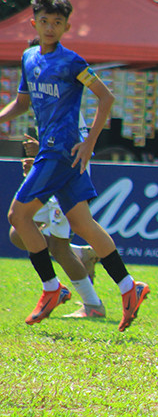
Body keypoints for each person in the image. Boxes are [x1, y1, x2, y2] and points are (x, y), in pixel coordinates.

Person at [1, 0, 148, 330]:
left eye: (57, 23)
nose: (50, 28)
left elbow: (106, 98)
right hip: (57, 150)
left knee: (17, 217)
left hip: (60, 149)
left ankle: (52, 289)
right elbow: (23, 103)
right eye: (44, 22)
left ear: (67, 26)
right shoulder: (29, 58)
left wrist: (89, 142)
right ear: (33, 23)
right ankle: (130, 287)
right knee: (82, 225)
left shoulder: (72, 62)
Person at [10, 134, 105, 318]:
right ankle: (79, 254)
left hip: (67, 180)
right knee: (19, 233)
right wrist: (39, 163)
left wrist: (43, 151)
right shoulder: (47, 107)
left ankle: (93, 306)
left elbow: (73, 148)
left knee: (59, 247)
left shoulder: (68, 107)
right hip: (51, 177)